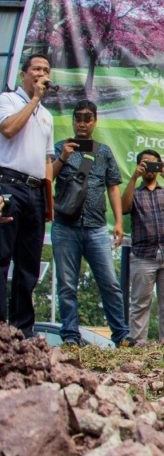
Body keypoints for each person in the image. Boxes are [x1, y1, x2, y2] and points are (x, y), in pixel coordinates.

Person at [51, 100, 128, 346]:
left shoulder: (104, 151)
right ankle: (70, 336)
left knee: (110, 284)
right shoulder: (59, 147)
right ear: (73, 121)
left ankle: (121, 335)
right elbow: (47, 177)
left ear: (95, 121)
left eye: (87, 118)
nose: (82, 123)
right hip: (65, 226)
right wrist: (63, 157)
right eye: (78, 118)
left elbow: (113, 187)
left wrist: (118, 222)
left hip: (96, 227)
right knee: (66, 285)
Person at [0, 54, 54, 338]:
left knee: (29, 263)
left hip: (35, 192)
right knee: (2, 256)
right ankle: (0, 326)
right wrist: (34, 99)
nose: (41, 73)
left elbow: (47, 160)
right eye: (36, 69)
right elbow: (8, 129)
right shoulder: (8, 100)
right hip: (7, 184)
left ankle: (22, 329)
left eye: (46, 69)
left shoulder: (47, 115)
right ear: (24, 75)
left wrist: (49, 202)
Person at [122, 149, 164, 342]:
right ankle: (138, 346)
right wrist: (133, 178)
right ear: (139, 167)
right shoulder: (134, 193)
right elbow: (124, 207)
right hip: (143, 256)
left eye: (153, 163)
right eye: (145, 164)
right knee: (139, 305)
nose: (149, 168)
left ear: (160, 167)